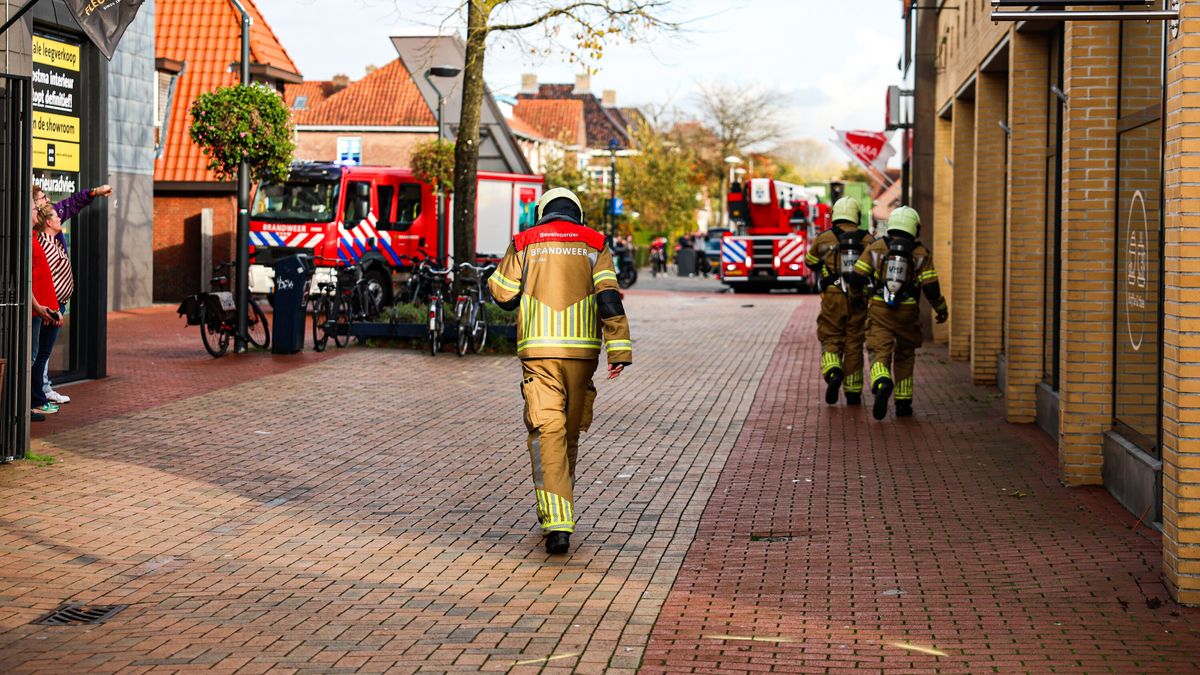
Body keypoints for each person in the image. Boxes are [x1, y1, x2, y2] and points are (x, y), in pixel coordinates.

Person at [488, 187, 633, 555]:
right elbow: (609, 296)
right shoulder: (594, 243)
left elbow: (502, 293)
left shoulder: (525, 241)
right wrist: (618, 348)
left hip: (538, 353)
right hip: (583, 355)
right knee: (567, 434)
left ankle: (557, 522)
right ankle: (560, 511)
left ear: (543, 211)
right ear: (577, 213)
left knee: (546, 431)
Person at [849, 206, 948, 420]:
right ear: (915, 228)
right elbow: (931, 287)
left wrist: (858, 296)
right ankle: (903, 404)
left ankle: (882, 382)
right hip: (908, 312)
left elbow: (856, 277)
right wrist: (941, 309)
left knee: (879, 350)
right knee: (905, 355)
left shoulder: (876, 247)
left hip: (880, 310)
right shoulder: (921, 253)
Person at [31, 184, 111, 404]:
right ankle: (39, 396)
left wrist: (94, 192)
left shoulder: (50, 231)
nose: (47, 202)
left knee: (42, 351)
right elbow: (41, 276)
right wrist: (50, 304)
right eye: (41, 199)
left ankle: (42, 391)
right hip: (49, 303)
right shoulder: (40, 240)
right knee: (39, 352)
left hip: (56, 301)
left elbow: (72, 203)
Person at [805, 197, 874, 405]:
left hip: (833, 297)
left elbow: (810, 262)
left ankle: (833, 372)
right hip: (858, 297)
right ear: (856, 216)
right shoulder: (867, 240)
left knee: (831, 337)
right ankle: (853, 392)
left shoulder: (825, 238)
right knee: (854, 342)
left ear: (835, 215)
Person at [31, 203, 65, 420]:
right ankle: (35, 401)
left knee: (38, 355)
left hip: (48, 307)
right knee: (36, 356)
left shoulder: (45, 240)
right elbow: (37, 280)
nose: (37, 212)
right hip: (43, 309)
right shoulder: (39, 242)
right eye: (34, 209)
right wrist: (48, 308)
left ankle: (36, 399)